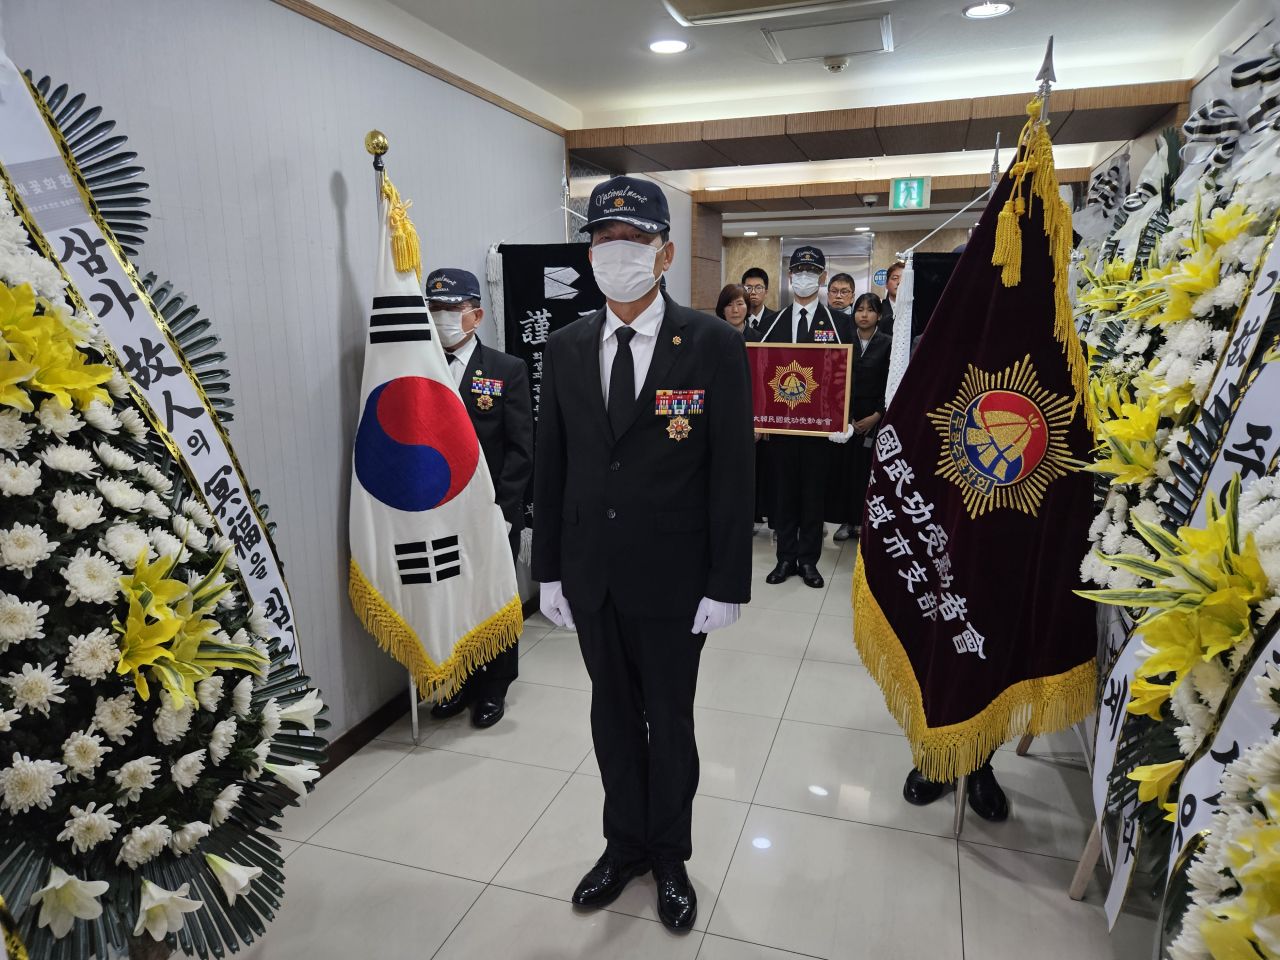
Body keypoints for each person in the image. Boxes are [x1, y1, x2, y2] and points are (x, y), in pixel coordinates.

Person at [532, 175, 754, 931]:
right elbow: (554, 465)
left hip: (674, 579)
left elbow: (732, 471)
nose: (616, 252)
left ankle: (669, 854)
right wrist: (548, 569)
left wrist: (727, 580)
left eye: (633, 240)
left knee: (669, 718)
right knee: (612, 717)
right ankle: (622, 844)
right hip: (591, 574)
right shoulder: (566, 346)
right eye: (603, 239)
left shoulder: (713, 344)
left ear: (664, 253)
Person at [424, 267, 533, 729]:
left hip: (490, 512)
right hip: (439, 512)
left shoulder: (506, 370)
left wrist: (503, 511)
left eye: (452, 309)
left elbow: (521, 448)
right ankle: (462, 680)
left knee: (493, 596)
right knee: (452, 596)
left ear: (477, 315)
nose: (442, 317)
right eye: (434, 309)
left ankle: (494, 685)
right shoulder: (419, 370)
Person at [754, 246, 852, 589]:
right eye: (798, 271)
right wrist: (757, 416)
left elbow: (846, 374)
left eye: (811, 271)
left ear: (822, 277)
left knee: (812, 495)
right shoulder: (772, 323)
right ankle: (785, 557)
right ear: (790, 276)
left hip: (818, 430)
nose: (804, 276)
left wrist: (845, 418)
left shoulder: (840, 324)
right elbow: (760, 372)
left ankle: (808, 560)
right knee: (783, 495)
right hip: (781, 429)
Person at [832, 293, 890, 542]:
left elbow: (890, 383)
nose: (864, 315)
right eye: (859, 310)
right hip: (846, 418)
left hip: (874, 417)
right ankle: (846, 521)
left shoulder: (888, 344)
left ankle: (865, 522)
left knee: (867, 472)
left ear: (879, 315)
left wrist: (876, 416)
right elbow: (834, 380)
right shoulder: (844, 340)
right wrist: (846, 417)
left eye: (870, 310)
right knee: (844, 471)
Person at [741, 267, 776, 335]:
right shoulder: (738, 319)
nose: (753, 292)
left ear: (766, 292)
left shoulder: (776, 319)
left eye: (758, 288)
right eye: (749, 288)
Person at [879, 260, 904, 336]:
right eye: (895, 278)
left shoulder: (915, 310)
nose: (899, 282)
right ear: (886, 284)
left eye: (904, 279)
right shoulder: (878, 308)